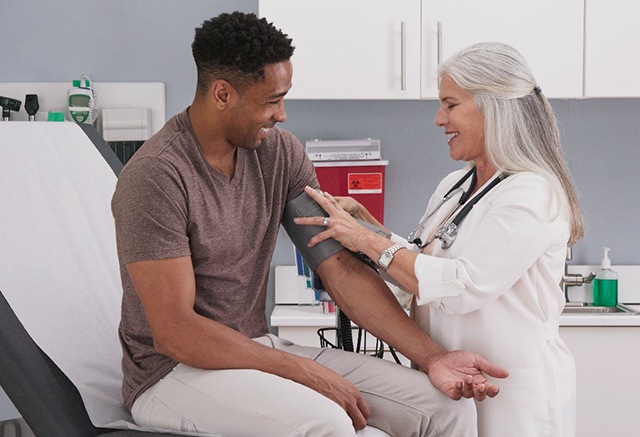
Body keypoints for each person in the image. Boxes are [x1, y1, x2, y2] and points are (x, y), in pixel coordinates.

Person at [112, 13, 509, 437]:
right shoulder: (155, 177)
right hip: (171, 375)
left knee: (445, 409)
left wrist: (432, 359)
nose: (282, 115)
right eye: (270, 100)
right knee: (326, 423)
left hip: (254, 348)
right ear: (222, 94)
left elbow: (337, 266)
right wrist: (300, 370)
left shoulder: (279, 154)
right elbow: (175, 333)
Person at [296, 42, 582, 437]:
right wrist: (368, 225)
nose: (438, 119)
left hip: (514, 390)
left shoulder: (532, 192)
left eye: (451, 105)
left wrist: (366, 239)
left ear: (492, 107)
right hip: (454, 381)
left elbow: (462, 285)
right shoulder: (456, 185)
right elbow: (421, 265)